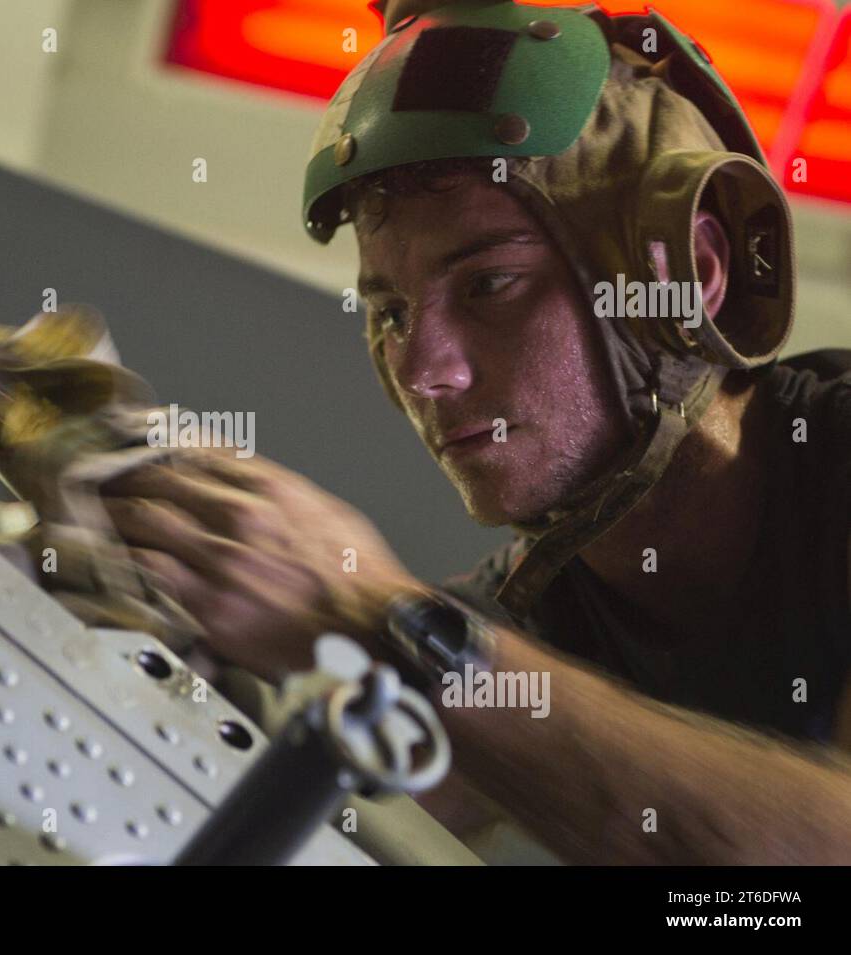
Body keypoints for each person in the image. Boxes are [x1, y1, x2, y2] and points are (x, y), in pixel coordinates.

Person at [95, 0, 851, 863]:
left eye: (489, 284)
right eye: (388, 311)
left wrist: (384, 621)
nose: (424, 371)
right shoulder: (529, 611)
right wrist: (156, 604)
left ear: (692, 274)